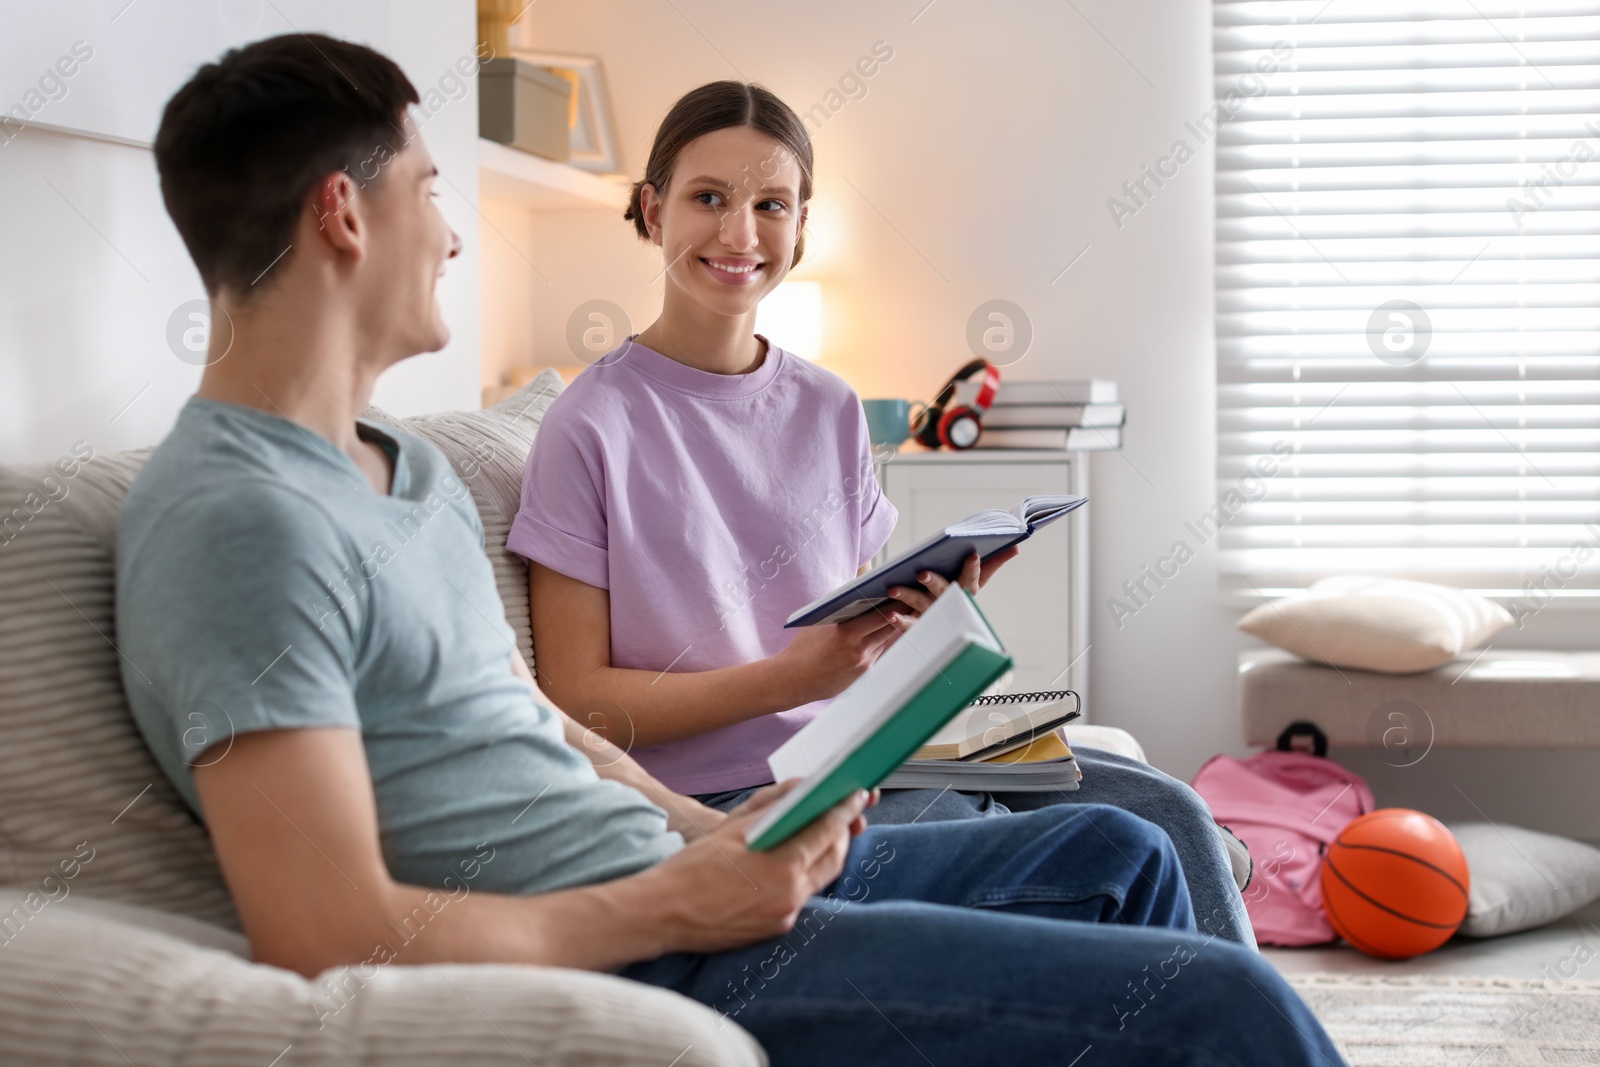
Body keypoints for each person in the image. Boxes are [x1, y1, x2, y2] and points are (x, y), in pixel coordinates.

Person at [114, 33, 1343, 1066]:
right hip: (651, 940)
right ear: (344, 211)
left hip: (691, 862)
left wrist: (706, 831)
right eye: (432, 190)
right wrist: (679, 891)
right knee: (1222, 1004)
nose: (449, 237)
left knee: (1123, 839)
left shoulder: (400, 466)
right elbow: (326, 929)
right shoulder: (238, 525)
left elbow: (540, 722)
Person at [511, 80, 1255, 945]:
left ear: (801, 223)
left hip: (874, 759)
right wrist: (790, 681)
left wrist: (932, 617)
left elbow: (851, 635)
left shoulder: (829, 406)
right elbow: (577, 703)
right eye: (707, 198)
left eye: (770, 204)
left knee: (1171, 807)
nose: (739, 233)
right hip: (738, 803)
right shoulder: (589, 425)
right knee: (1108, 849)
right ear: (652, 209)